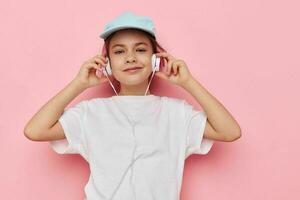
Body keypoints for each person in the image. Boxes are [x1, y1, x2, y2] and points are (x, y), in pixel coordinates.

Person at [24, 11, 242, 200]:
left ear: (156, 60)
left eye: (140, 50)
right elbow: (35, 130)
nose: (130, 58)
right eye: (119, 52)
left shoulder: (177, 113)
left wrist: (189, 83)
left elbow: (230, 131)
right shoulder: (91, 112)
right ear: (107, 64)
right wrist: (78, 84)